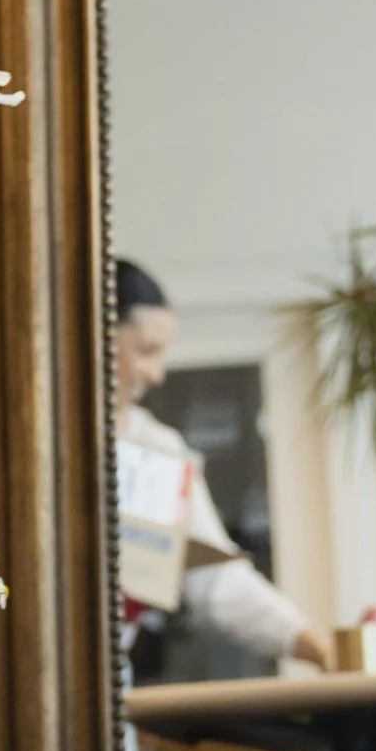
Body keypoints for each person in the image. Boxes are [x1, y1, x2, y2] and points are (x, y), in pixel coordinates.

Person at [115, 258, 329, 671]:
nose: (157, 374)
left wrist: (317, 648)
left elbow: (222, 584)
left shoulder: (161, 450)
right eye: (146, 351)